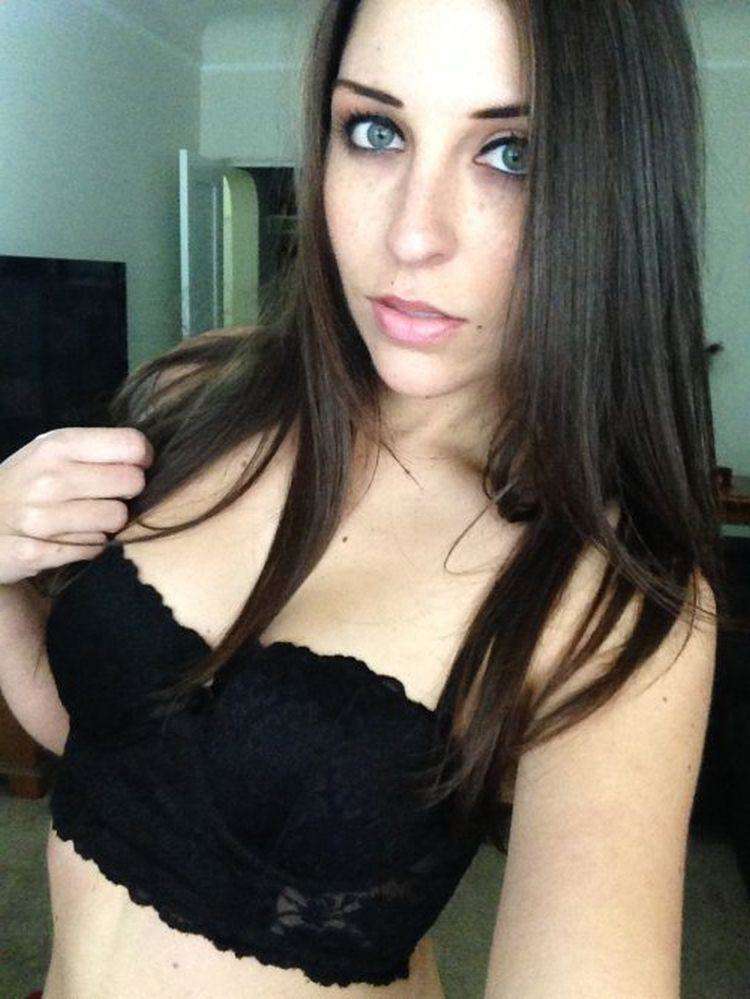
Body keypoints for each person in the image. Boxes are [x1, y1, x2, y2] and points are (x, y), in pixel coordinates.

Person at [0, 0, 734, 996]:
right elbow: (113, 751)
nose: (411, 235)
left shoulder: (610, 597)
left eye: (513, 154)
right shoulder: (198, 394)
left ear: (617, 191)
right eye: (376, 131)